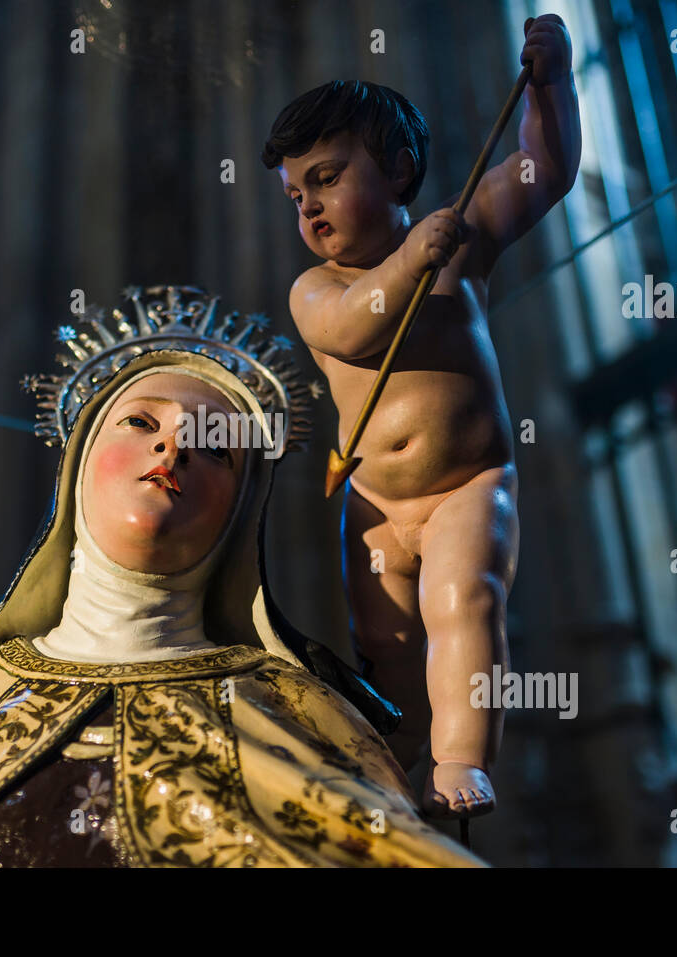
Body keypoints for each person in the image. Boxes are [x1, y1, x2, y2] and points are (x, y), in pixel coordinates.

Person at [0, 285, 482, 867]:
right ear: (75, 468)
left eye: (216, 450)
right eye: (142, 422)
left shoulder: (299, 713)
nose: (174, 447)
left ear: (239, 518)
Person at [260, 15, 581, 817]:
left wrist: (554, 84)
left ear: (400, 170)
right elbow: (353, 327)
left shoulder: (462, 239)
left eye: (328, 178)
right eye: (297, 196)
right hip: (374, 505)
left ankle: (463, 757)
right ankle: (404, 757)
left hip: (467, 484)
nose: (311, 209)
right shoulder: (315, 289)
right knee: (391, 652)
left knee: (462, 601)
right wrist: (410, 262)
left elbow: (546, 169)